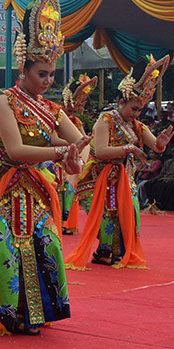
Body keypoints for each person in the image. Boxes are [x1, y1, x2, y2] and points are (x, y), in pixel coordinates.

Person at [0, 0, 89, 336]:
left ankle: (37, 311)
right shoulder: (5, 102)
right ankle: (10, 314)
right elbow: (15, 151)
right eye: (42, 74)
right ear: (24, 68)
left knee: (47, 243)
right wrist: (61, 153)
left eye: (52, 74)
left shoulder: (51, 109)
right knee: (6, 249)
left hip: (33, 187)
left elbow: (79, 144)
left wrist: (76, 159)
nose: (47, 81)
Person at [66, 55, 173, 269]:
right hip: (97, 178)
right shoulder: (105, 120)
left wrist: (161, 144)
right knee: (106, 216)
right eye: (134, 108)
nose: (137, 114)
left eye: (140, 110)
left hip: (123, 179)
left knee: (131, 214)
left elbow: (155, 146)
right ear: (122, 101)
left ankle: (118, 252)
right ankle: (105, 250)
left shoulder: (137, 126)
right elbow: (101, 151)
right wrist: (129, 148)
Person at [58, 75, 97, 234]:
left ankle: (67, 223)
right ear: (62, 103)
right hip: (56, 158)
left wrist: (87, 143)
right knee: (58, 190)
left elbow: (81, 138)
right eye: (69, 110)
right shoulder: (55, 116)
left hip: (72, 157)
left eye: (74, 111)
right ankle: (58, 223)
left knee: (71, 189)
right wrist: (71, 145)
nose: (71, 114)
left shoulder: (76, 121)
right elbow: (53, 139)